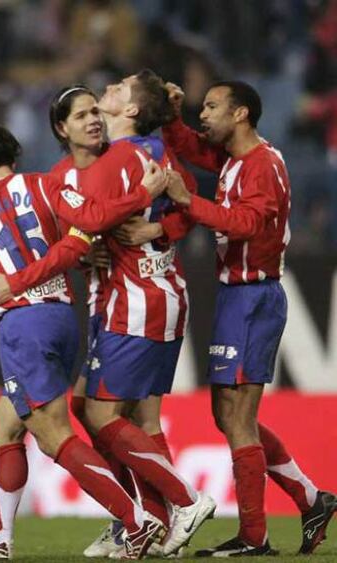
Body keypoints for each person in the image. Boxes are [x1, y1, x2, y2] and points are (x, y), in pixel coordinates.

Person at [0, 72, 216, 559]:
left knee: (105, 413)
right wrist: (86, 250)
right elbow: (73, 232)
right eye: (83, 113)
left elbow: (185, 197)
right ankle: (146, 519)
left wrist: (155, 230)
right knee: (109, 412)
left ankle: (178, 505)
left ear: (121, 114)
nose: (94, 116)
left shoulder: (132, 153)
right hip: (108, 298)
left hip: (139, 298)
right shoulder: (59, 177)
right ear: (61, 129)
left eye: (98, 108)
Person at [0, 125, 169, 561]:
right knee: (5, 426)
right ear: (17, 155)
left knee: (52, 436)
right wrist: (141, 194)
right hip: (64, 317)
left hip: (23, 325)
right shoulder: (45, 185)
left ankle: (136, 523)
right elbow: (93, 220)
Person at [161, 79, 337, 557]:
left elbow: (247, 223)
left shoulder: (262, 165)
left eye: (213, 107)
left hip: (254, 297)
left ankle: (254, 536)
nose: (205, 114)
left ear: (241, 114)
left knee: (239, 418)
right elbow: (191, 148)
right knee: (228, 414)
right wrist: (173, 117)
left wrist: (187, 201)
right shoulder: (234, 159)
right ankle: (310, 498)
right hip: (235, 296)